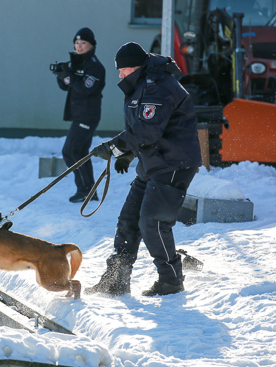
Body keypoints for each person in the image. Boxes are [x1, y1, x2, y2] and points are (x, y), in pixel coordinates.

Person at [86, 42, 202, 297]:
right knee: (128, 220)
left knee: (152, 222)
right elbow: (144, 129)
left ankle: (171, 281)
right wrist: (127, 153)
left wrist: (115, 146)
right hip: (154, 161)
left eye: (123, 69)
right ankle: (116, 279)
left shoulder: (158, 88)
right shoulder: (143, 84)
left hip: (174, 163)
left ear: (136, 67)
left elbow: (147, 129)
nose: (119, 75)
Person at [53, 27, 106, 203]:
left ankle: (86, 190)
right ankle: (88, 191)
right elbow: (66, 86)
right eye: (76, 43)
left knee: (70, 150)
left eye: (83, 43)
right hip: (79, 114)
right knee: (80, 151)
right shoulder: (78, 64)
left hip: (87, 116)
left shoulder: (95, 67)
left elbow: (85, 88)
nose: (79, 47)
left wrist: (68, 76)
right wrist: (61, 75)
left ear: (92, 45)